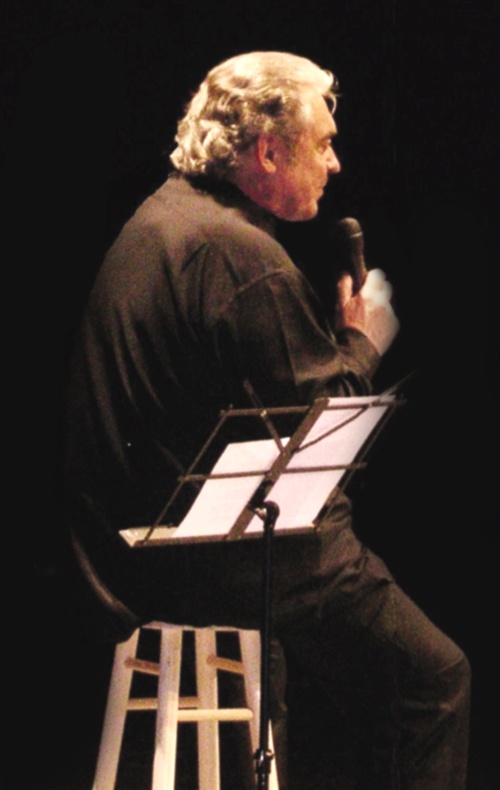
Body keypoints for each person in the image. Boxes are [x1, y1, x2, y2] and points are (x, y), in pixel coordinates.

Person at [63, 51, 470, 788]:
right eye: (323, 145)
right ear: (269, 152)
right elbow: (323, 423)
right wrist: (363, 339)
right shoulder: (240, 256)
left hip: (123, 555)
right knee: (433, 679)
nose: (335, 164)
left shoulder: (161, 217)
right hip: (199, 564)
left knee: (283, 658)